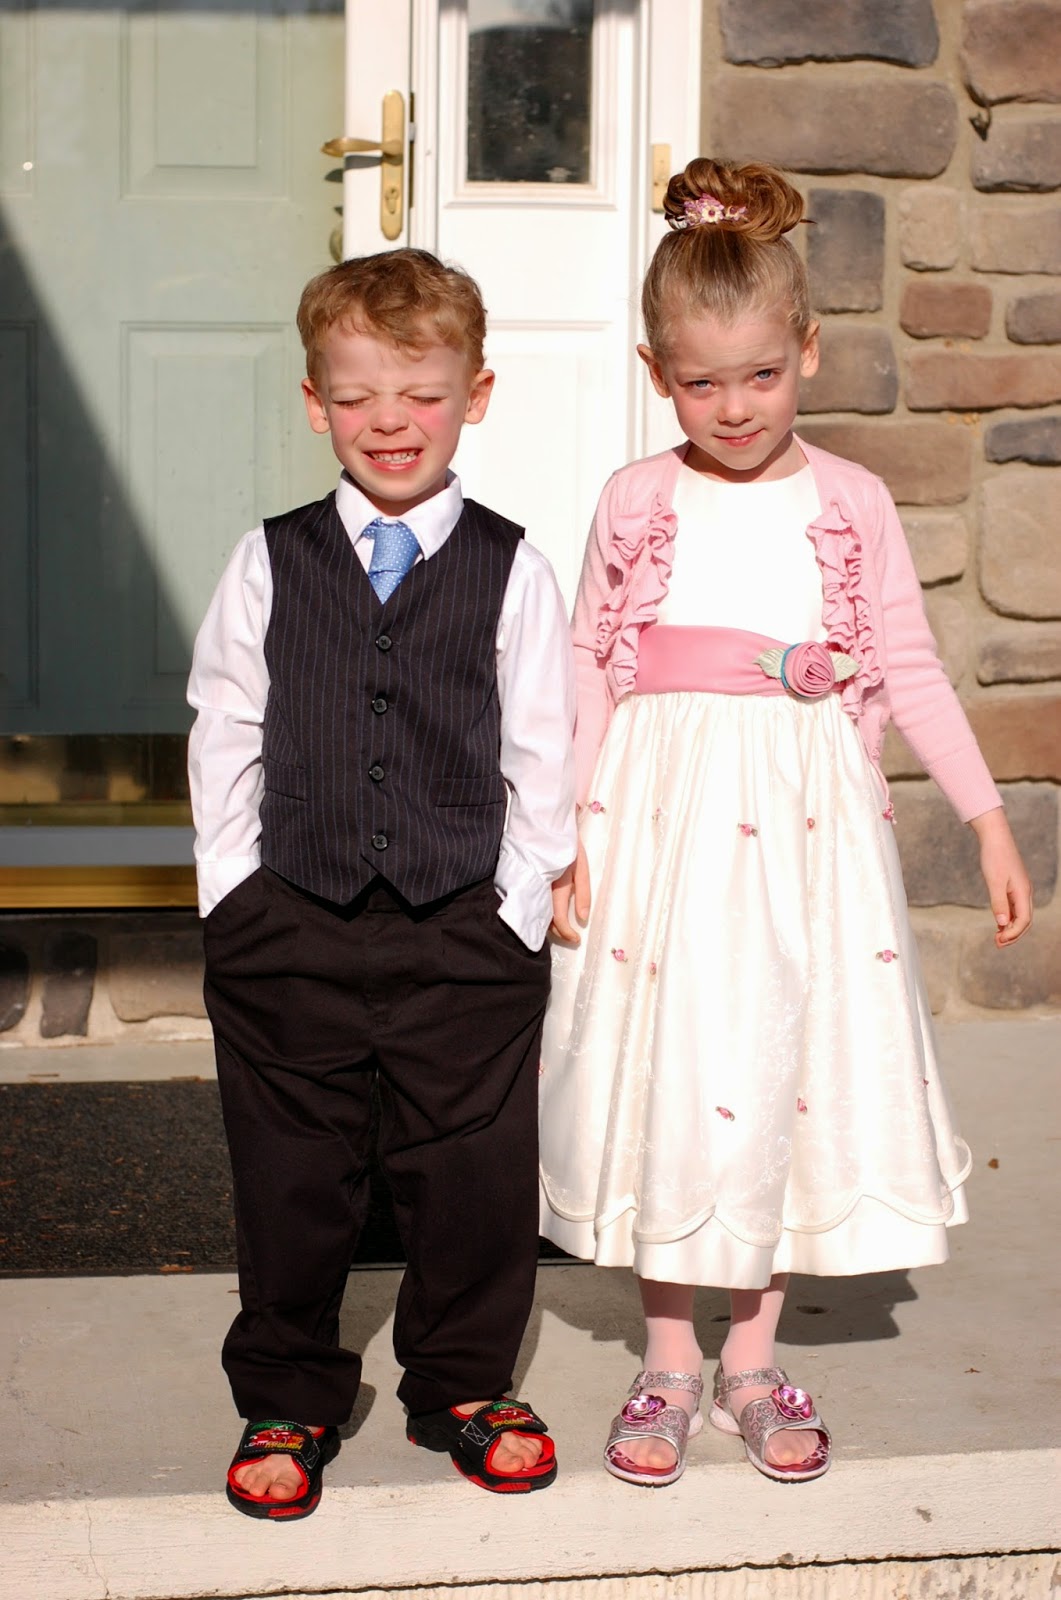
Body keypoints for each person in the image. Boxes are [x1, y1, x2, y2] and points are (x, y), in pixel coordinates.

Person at [540, 159, 1033, 1489]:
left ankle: (749, 1363)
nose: (734, 406)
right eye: (700, 382)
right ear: (656, 373)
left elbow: (908, 666)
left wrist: (985, 818)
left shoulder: (849, 503)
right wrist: (567, 827)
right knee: (669, 1066)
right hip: (659, 825)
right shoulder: (635, 500)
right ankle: (665, 1358)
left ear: (806, 350)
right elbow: (587, 662)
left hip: (807, 838)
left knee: (780, 1068)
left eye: (760, 374)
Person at [188, 247, 576, 1518]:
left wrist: (516, 901)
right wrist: (234, 892)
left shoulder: (513, 567)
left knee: (469, 1173)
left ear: (475, 395)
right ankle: (287, 1392)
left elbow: (539, 743)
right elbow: (225, 722)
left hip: (462, 923)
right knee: (291, 1173)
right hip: (289, 919)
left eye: (420, 393)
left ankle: (461, 1383)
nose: (389, 421)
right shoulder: (268, 559)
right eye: (356, 396)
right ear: (315, 403)